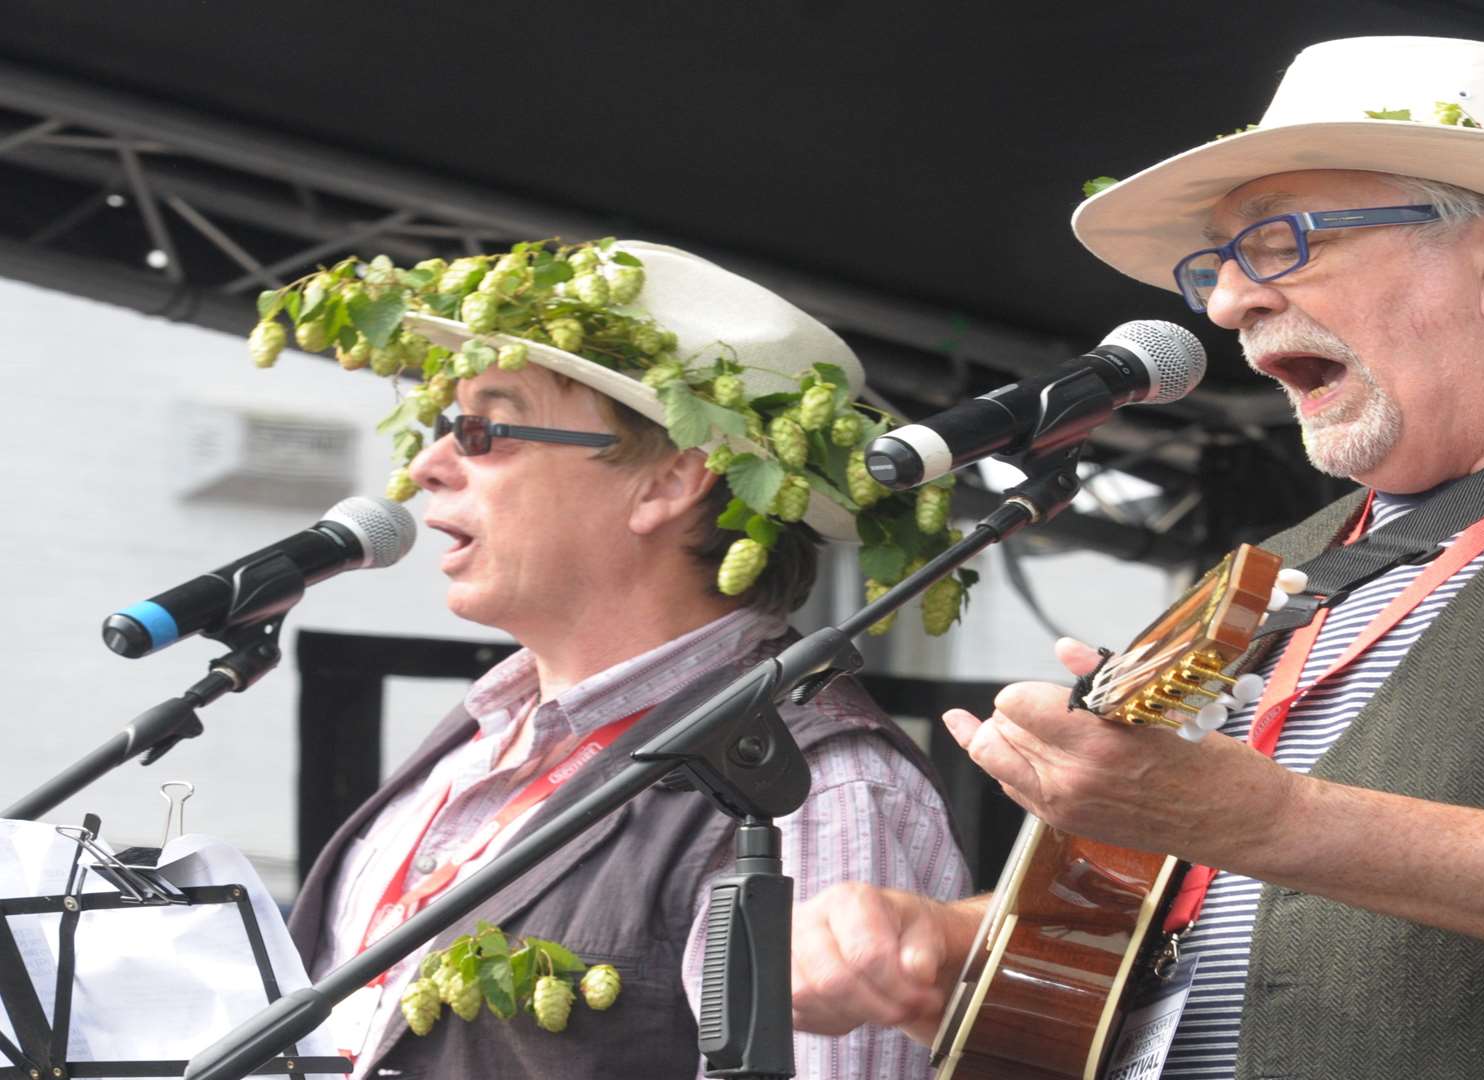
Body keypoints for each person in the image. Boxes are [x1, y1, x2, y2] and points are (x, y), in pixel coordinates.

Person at [788, 36, 1484, 1079]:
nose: (1229, 301)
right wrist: (947, 945)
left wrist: (1275, 824)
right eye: (1214, 266)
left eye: (1280, 241)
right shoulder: (1270, 571)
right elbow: (1199, 927)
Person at [276, 242, 971, 1079]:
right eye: (438, 427)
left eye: (483, 431)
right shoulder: (480, 736)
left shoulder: (811, 787)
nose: (427, 466)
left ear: (668, 483)